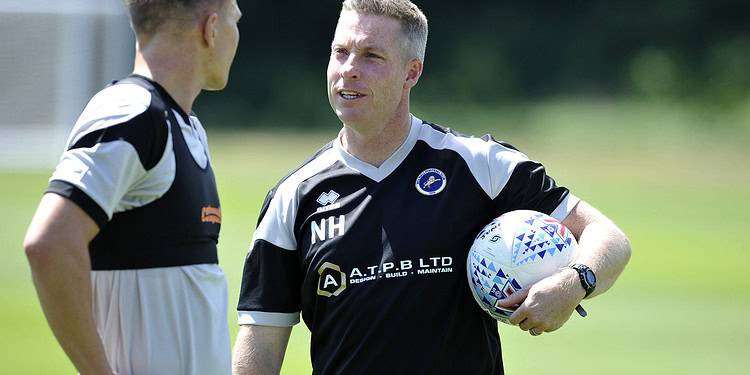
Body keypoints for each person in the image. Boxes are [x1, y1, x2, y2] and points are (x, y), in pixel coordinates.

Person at [232, 0, 631, 374]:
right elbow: (260, 344)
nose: (348, 69)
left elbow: (608, 237)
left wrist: (573, 283)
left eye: (371, 56)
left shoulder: (479, 165)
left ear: (412, 72)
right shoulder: (293, 197)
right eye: (340, 52)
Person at [23, 0, 242, 374]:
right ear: (212, 28)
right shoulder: (132, 113)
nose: (238, 34)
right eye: (236, 20)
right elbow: (50, 243)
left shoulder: (184, 126)